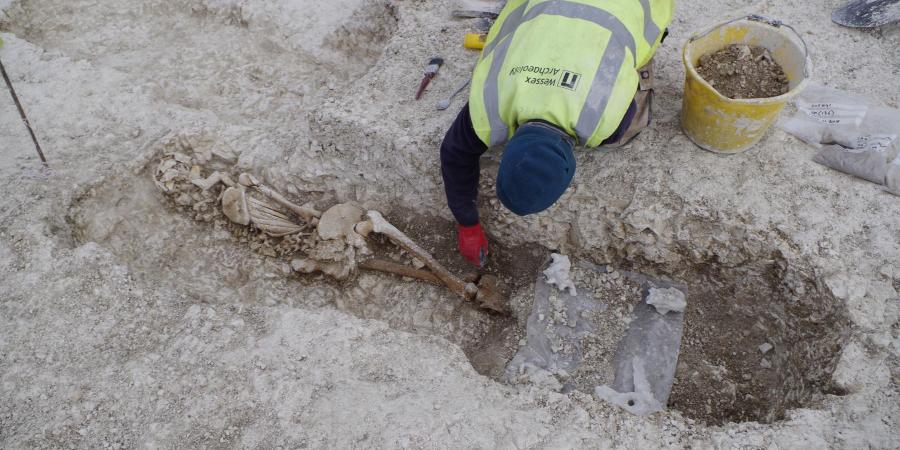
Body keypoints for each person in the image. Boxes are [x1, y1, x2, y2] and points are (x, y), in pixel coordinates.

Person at [440, 0, 674, 266]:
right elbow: (454, 151)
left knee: (625, 131)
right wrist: (466, 223)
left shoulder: (608, 126)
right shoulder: (489, 101)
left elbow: (457, 153)